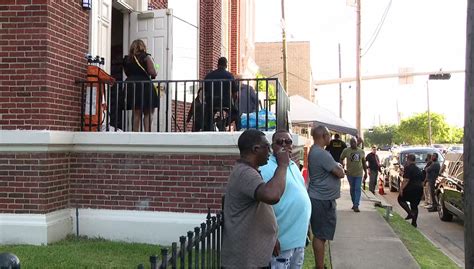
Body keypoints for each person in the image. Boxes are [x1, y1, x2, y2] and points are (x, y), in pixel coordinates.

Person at [221, 129, 290, 268]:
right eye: (267, 147)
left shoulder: (249, 171)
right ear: (256, 149)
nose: (270, 151)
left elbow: (261, 207)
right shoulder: (245, 174)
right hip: (244, 262)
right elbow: (272, 195)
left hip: (254, 257)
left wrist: (271, 238)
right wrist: (282, 165)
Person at [260, 130, 311, 269]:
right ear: (272, 146)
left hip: (298, 240)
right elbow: (261, 206)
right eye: (279, 142)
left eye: (287, 141)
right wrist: (271, 237)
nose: (284, 145)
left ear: (292, 146)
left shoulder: (293, 166)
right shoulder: (266, 168)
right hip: (282, 242)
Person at [308, 125, 345, 269]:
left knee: (321, 235)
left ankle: (320, 265)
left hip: (322, 198)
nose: (330, 137)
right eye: (329, 135)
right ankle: (319, 267)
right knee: (320, 235)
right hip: (321, 200)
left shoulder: (318, 152)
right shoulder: (321, 153)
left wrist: (336, 166)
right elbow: (340, 173)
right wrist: (339, 167)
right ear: (323, 136)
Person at [123, 39, 158, 132]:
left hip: (132, 86)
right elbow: (153, 72)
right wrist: (156, 68)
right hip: (145, 86)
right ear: (143, 47)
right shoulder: (147, 57)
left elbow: (127, 73)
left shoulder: (127, 59)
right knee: (148, 113)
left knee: (136, 113)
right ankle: (147, 135)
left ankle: (135, 135)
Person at [203, 57, 237, 131]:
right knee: (236, 113)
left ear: (217, 65)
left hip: (212, 101)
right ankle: (223, 123)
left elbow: (205, 90)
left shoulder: (209, 76)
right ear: (226, 65)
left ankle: (207, 129)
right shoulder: (229, 75)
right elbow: (235, 91)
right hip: (225, 101)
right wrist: (233, 102)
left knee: (208, 115)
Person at [340, 137, 367, 212]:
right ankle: (354, 203)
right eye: (351, 143)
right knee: (352, 189)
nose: (353, 144)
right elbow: (341, 158)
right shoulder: (346, 150)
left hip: (359, 173)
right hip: (350, 173)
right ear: (350, 143)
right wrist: (342, 167)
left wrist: (366, 173)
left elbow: (364, 162)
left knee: (357, 188)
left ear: (357, 143)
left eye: (354, 142)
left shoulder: (361, 151)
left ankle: (356, 205)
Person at [398, 154, 424, 227]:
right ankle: (414, 222)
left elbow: (406, 180)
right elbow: (422, 181)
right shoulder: (418, 169)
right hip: (419, 189)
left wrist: (401, 189)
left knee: (400, 199)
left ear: (408, 160)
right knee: (414, 206)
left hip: (411, 188)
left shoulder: (408, 168)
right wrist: (423, 192)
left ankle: (410, 213)